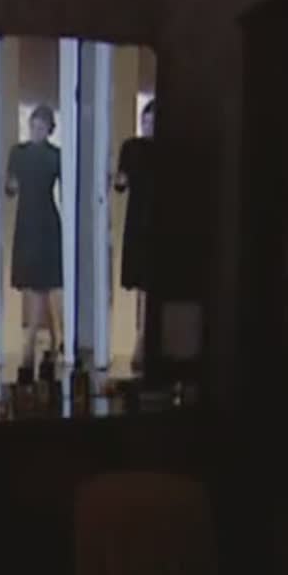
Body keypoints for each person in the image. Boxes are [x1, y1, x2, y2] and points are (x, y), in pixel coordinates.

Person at [5, 105, 64, 369]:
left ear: (50, 129)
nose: (36, 131)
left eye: (41, 127)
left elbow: (67, 187)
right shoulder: (18, 153)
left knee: (42, 284)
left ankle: (29, 344)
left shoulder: (55, 155)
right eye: (33, 126)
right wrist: (10, 186)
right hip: (25, 221)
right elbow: (10, 188)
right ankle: (54, 337)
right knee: (35, 283)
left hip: (46, 222)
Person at [114, 99, 159, 372]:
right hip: (138, 220)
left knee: (152, 283)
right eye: (145, 121)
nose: (148, 126)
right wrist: (118, 180)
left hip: (161, 220)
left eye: (153, 122)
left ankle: (143, 341)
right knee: (142, 283)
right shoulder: (131, 147)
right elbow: (121, 183)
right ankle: (142, 339)